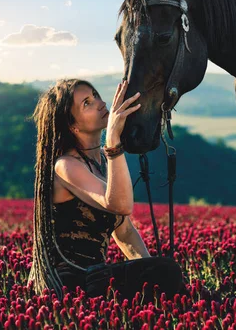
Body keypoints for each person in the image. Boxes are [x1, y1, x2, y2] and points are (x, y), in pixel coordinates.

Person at [27, 78, 184, 300]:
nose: (100, 103)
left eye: (96, 95)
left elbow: (125, 232)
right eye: (87, 103)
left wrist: (151, 269)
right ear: (72, 125)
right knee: (167, 272)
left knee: (166, 273)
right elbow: (119, 204)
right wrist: (113, 142)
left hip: (97, 276)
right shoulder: (66, 165)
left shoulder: (101, 160)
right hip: (73, 284)